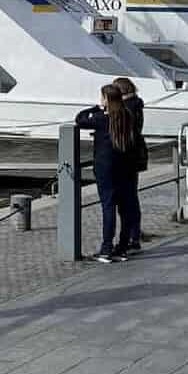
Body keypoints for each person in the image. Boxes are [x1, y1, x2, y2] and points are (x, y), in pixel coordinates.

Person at [75, 84, 142, 263]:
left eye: (102, 97)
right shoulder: (127, 116)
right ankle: (122, 248)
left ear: (107, 100)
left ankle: (106, 249)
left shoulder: (101, 119)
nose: (100, 100)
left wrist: (94, 108)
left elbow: (79, 119)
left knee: (108, 206)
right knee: (125, 208)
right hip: (126, 167)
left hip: (106, 168)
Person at [110, 76, 146, 254]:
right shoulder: (137, 105)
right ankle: (135, 235)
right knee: (132, 197)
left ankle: (129, 238)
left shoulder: (126, 109)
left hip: (126, 158)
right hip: (136, 156)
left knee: (125, 200)